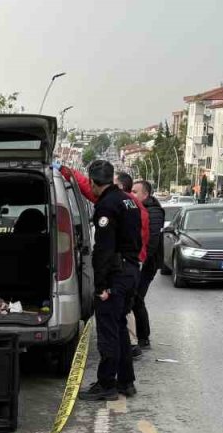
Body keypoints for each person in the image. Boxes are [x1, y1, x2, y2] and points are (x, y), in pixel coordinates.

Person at [77, 160, 140, 401]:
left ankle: (106, 384)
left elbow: (104, 250)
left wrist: (101, 286)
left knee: (108, 332)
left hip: (116, 275)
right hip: (130, 270)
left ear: (93, 182)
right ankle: (126, 381)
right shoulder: (128, 201)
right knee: (120, 328)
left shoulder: (106, 206)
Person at [130, 180, 165, 355]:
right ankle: (140, 336)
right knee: (135, 298)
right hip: (139, 261)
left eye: (135, 192)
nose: (132, 194)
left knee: (137, 298)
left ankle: (143, 338)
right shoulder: (138, 207)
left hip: (147, 263)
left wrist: (141, 262)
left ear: (145, 194)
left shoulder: (154, 211)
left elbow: (152, 241)